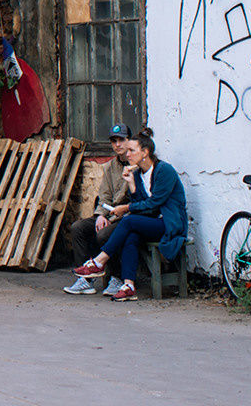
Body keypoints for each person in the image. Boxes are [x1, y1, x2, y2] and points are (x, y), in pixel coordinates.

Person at [72, 127, 187, 302]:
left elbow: (154, 203)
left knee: (129, 220)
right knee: (131, 235)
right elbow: (143, 206)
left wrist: (126, 208)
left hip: (169, 224)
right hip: (151, 222)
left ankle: (98, 262)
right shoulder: (138, 174)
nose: (128, 154)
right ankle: (128, 285)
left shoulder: (164, 170)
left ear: (145, 152)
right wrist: (132, 185)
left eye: (132, 150)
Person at [63, 125, 139, 295]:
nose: (118, 144)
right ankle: (85, 279)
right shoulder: (110, 166)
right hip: (110, 213)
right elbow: (104, 195)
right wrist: (100, 215)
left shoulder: (136, 165)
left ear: (129, 141)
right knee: (78, 228)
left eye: (121, 140)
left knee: (104, 234)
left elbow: (137, 197)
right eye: (114, 141)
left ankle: (117, 278)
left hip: (127, 215)